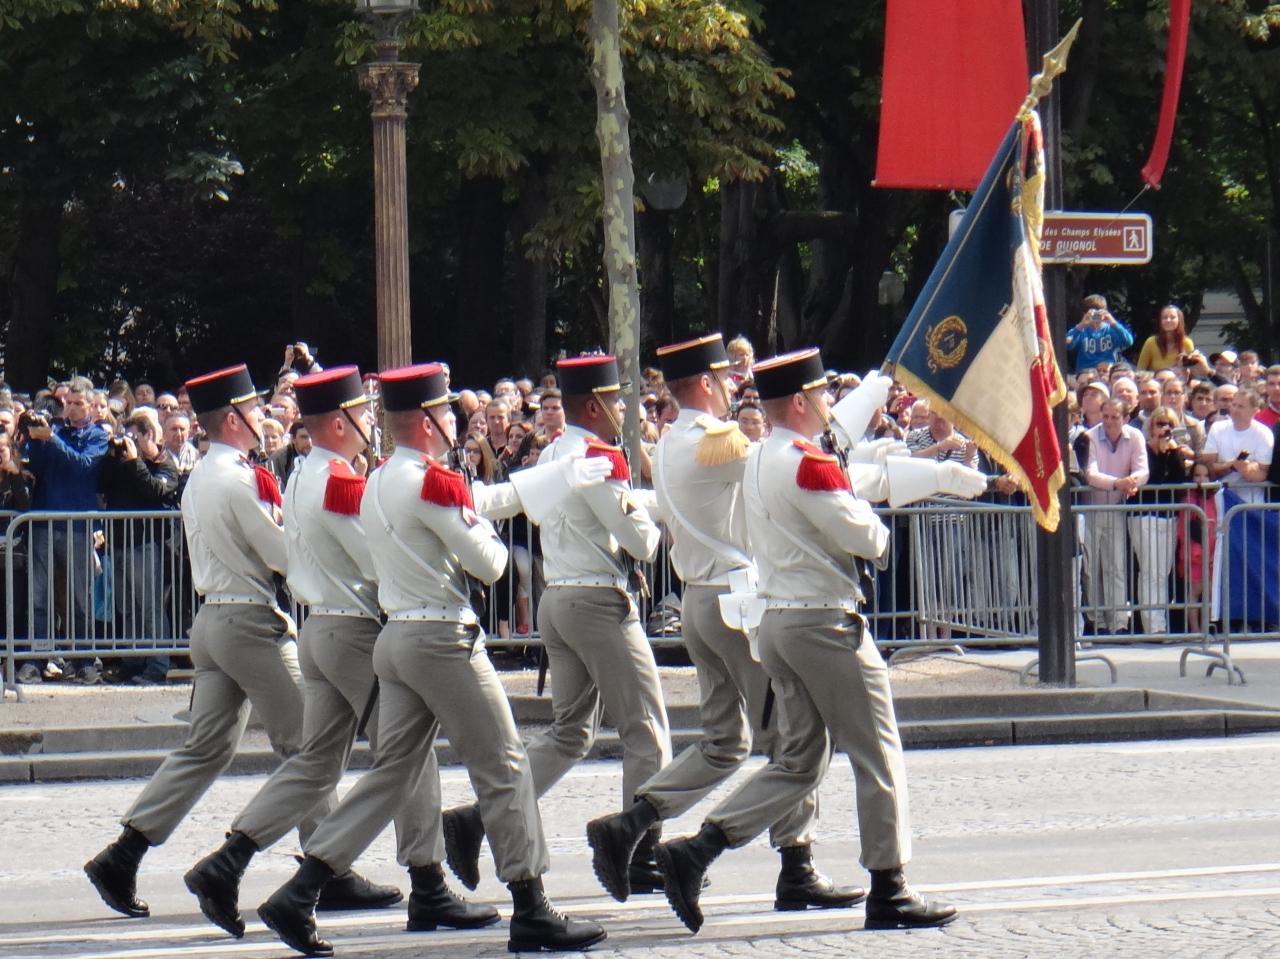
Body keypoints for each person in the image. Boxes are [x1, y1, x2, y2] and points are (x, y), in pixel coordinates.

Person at [257, 362, 609, 955]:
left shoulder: (376, 481)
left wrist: (541, 485)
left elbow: (469, 504)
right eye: (446, 411)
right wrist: (488, 527)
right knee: (504, 765)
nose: (454, 420)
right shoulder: (431, 480)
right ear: (426, 421)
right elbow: (490, 564)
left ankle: (301, 889)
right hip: (442, 638)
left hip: (396, 639)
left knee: (391, 773)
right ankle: (531, 903)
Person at [651, 348, 955, 934]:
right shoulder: (805, 462)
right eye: (820, 396)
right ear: (799, 401)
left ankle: (698, 850)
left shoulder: (761, 454)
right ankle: (889, 886)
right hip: (823, 619)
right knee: (877, 753)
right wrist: (876, 513)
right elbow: (864, 537)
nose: (827, 405)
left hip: (779, 621)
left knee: (798, 761)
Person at [586, 333, 855, 912]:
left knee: (724, 740)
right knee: (792, 740)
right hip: (738, 604)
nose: (735, 388)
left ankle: (634, 819)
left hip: (700, 602)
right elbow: (786, 457)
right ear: (707, 383)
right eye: (728, 379)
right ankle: (796, 863)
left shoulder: (672, 443)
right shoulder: (719, 441)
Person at [181, 367, 432, 943]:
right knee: (409, 758)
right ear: (341, 422)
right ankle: (427, 880)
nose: (372, 423)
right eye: (364, 415)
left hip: (321, 629)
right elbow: (374, 563)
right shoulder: (339, 483)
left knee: (316, 763)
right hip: (355, 633)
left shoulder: (300, 475)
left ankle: (228, 861)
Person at [82, 365, 341, 923]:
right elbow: (280, 554)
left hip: (214, 620)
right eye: (254, 410)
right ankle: (323, 866)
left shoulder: (204, 473)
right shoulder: (238, 478)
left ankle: (122, 855)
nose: (264, 417)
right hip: (248, 622)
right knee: (310, 747)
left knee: (205, 748)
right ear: (232, 418)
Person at [441, 354, 669, 895]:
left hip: (559, 599)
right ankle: (637, 850)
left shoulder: (557, 454)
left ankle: (477, 819)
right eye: (614, 401)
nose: (621, 409)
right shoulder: (598, 456)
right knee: (646, 733)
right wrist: (656, 518)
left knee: (570, 733)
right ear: (594, 404)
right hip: (597, 600)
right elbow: (640, 542)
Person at [21, 377, 109, 683]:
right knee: (40, 596)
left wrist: (53, 440)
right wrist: (34, 437)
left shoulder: (98, 436)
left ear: (90, 407)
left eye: (77, 404)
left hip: (77, 525)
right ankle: (37, 658)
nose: (70, 409)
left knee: (79, 598)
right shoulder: (55, 431)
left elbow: (83, 466)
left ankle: (83, 658)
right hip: (44, 522)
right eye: (67, 403)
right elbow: (34, 466)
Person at [97, 407, 182, 684]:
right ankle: (133, 661)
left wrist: (136, 461)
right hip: (119, 544)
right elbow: (102, 484)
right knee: (127, 607)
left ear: (149, 436)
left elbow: (154, 491)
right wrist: (112, 454)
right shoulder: (123, 464)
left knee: (150, 607)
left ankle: (157, 665)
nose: (129, 443)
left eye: (135, 437)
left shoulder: (166, 464)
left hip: (146, 545)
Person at [1082, 398, 1150, 635]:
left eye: (1115, 417)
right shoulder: (1089, 437)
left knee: (1116, 566)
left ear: (1126, 418)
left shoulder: (1136, 437)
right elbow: (1090, 474)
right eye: (1106, 416)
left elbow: (1143, 469)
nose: (1109, 422)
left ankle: (1119, 622)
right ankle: (1096, 620)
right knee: (1091, 568)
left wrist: (1131, 481)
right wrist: (1118, 483)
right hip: (1091, 508)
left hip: (1117, 508)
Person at [1130, 407, 1190, 636]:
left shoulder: (1175, 451)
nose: (1165, 429)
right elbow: (1148, 480)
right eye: (1160, 424)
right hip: (1144, 514)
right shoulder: (1143, 450)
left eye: (1170, 425)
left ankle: (1159, 621)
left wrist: (1173, 453)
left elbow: (1177, 482)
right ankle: (1153, 625)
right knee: (1149, 570)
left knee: (1162, 571)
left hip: (1167, 515)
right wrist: (1156, 449)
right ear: (1151, 427)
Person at [1065, 295, 1134, 373]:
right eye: (1090, 313)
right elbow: (1067, 345)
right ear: (1084, 313)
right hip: (1085, 373)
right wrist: (1081, 325)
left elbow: (1128, 341)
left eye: (1097, 314)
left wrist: (1113, 322)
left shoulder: (1110, 330)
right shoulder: (1081, 330)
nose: (1095, 317)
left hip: (1106, 372)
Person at [1137, 305, 1195, 372]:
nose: (1168, 320)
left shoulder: (1187, 343)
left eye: (1172, 317)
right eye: (1164, 317)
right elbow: (1140, 370)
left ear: (1179, 320)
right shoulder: (1151, 342)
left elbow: (1192, 371)